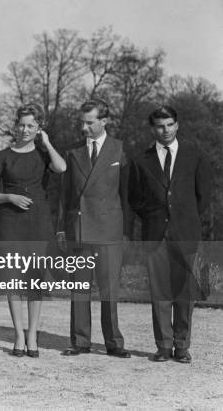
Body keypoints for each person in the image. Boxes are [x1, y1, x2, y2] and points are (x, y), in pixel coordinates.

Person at [129, 106, 211, 363]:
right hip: (155, 234)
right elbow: (135, 198)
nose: (165, 130)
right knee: (160, 292)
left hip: (186, 232)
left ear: (177, 125)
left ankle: (182, 346)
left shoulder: (195, 156)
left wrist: (184, 220)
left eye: (169, 125)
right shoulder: (141, 160)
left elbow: (203, 197)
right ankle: (163, 346)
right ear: (153, 128)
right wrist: (155, 219)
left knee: (184, 292)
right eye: (160, 126)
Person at [0, 104, 66, 358]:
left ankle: (33, 335)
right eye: (22, 124)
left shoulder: (44, 155)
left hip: (39, 221)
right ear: (15, 125)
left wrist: (48, 143)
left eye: (31, 125)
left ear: (39, 128)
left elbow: (61, 168)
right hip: (10, 221)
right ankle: (19, 335)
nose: (25, 129)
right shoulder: (1, 156)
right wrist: (9, 197)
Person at [57, 99, 131, 358]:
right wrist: (61, 229)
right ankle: (80, 341)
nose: (84, 127)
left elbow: (127, 195)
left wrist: (127, 232)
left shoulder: (120, 150)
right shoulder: (72, 154)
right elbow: (64, 197)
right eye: (82, 122)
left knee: (109, 290)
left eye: (89, 122)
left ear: (104, 121)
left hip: (109, 230)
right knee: (79, 288)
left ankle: (113, 343)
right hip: (79, 230)